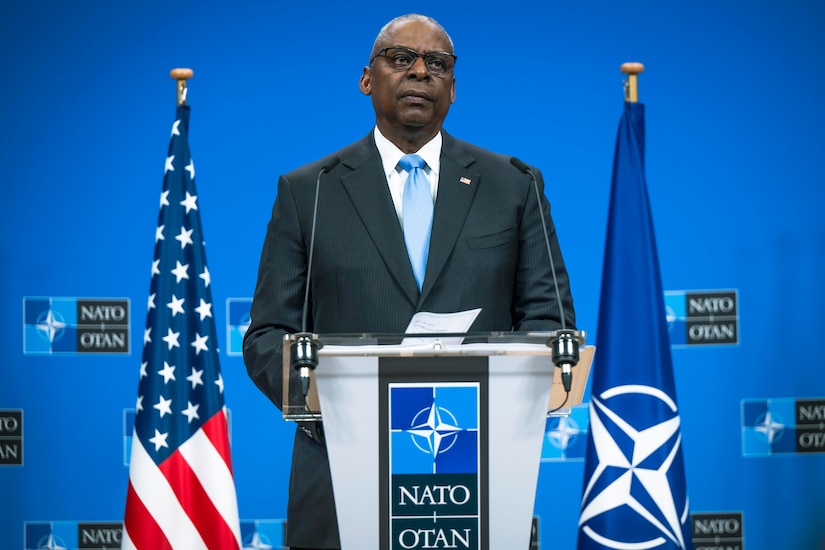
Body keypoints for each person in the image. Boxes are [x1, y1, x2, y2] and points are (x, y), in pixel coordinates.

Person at [243, 13, 576, 549]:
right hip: (341, 471)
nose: (420, 72)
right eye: (401, 59)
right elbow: (267, 338)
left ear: (453, 87)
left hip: (476, 473)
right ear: (367, 79)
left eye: (437, 64)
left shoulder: (514, 185)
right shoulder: (311, 191)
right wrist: (342, 397)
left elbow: (549, 322)